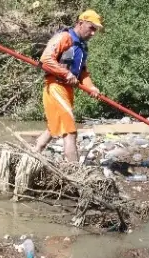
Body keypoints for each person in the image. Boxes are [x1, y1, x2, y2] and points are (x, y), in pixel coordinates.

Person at [33, 10, 102, 162]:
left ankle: (33, 155)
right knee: (70, 132)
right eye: (91, 28)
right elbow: (46, 59)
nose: (93, 33)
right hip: (55, 87)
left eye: (95, 30)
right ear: (80, 23)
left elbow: (82, 72)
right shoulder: (64, 37)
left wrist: (91, 87)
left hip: (67, 90)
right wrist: (66, 74)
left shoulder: (82, 47)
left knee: (53, 127)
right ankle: (75, 171)